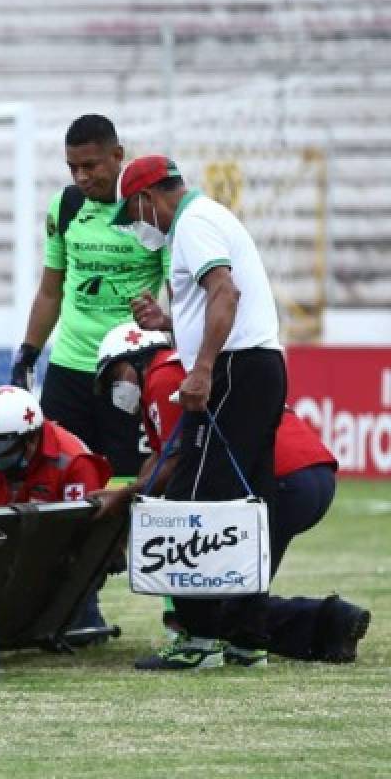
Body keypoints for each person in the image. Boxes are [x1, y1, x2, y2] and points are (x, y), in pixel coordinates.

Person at [107, 155, 371, 669]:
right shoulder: (213, 216)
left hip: (236, 367)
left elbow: (225, 291)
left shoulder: (192, 224)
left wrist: (202, 368)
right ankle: (245, 637)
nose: (140, 226)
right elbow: (219, 299)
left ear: (146, 197)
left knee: (197, 500)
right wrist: (170, 321)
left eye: (134, 215)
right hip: (260, 364)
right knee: (248, 501)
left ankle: (199, 640)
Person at [91, 321, 365, 667]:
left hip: (281, 477)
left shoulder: (163, 376)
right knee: (241, 592)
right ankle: (292, 636)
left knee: (226, 596)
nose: (117, 388)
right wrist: (129, 493)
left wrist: (125, 497)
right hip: (308, 472)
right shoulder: (180, 369)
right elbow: (163, 459)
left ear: (136, 357)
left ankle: (327, 622)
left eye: (116, 374)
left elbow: (180, 464)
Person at [10, 114, 168, 477]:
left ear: (118, 155)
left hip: (129, 368)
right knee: (58, 476)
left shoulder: (149, 209)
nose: (80, 176)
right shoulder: (64, 206)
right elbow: (50, 291)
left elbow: (177, 292)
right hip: (68, 366)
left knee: (128, 477)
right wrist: (29, 353)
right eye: (72, 168)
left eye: (90, 166)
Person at [0, 384, 114, 644]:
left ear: (31, 440)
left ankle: (81, 617)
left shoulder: (75, 462)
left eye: (3, 451)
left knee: (76, 630)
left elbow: (87, 535)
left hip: (59, 559)